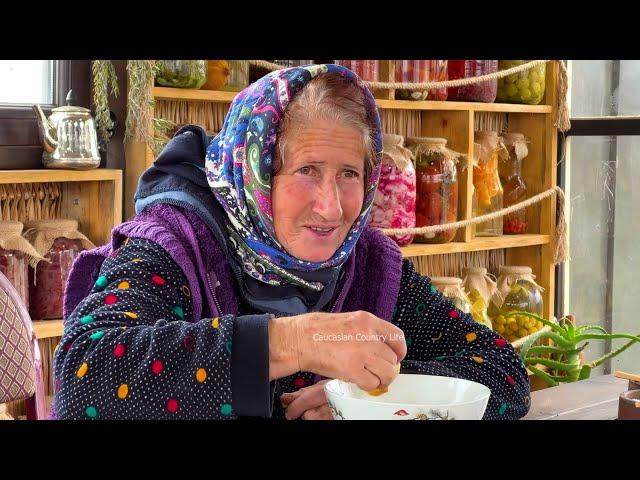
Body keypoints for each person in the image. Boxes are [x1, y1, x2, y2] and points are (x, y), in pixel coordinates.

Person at [52, 64, 530, 420]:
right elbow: (80, 379)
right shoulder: (176, 242)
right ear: (256, 172)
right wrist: (298, 340)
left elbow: (504, 374)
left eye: (349, 174)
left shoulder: (368, 263)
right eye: (306, 171)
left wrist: (368, 397)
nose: (332, 207)